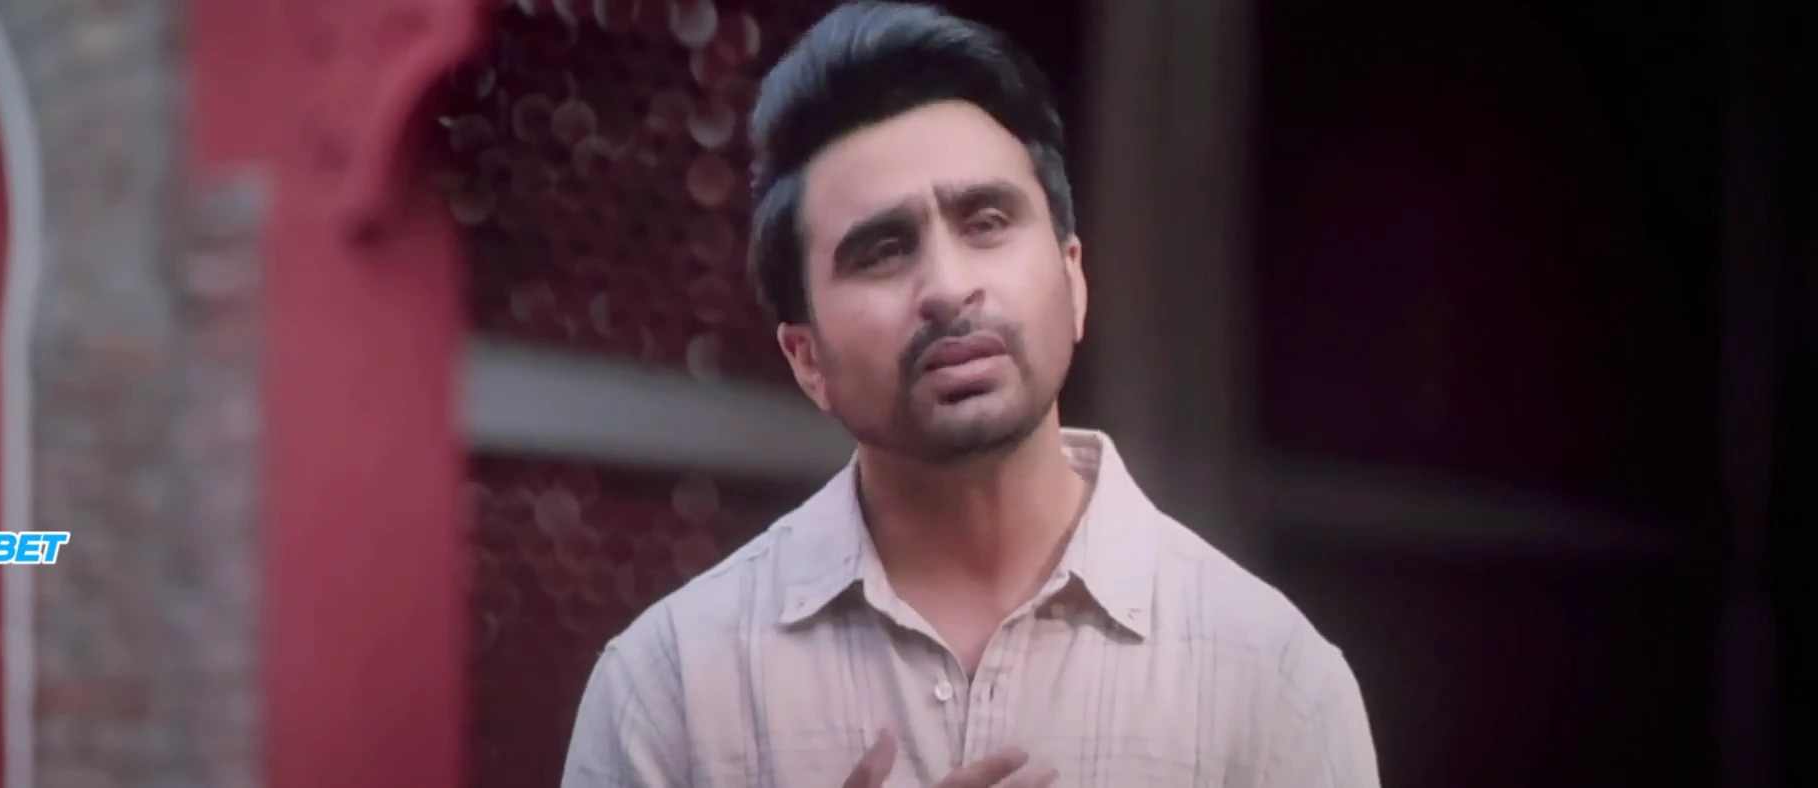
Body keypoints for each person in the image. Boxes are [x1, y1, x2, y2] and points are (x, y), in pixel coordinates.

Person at [563, 2, 1380, 785]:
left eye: (986, 221)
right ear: (806, 359)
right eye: (882, 251)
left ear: (1074, 281)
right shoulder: (670, 689)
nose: (948, 288)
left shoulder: (1273, 683)